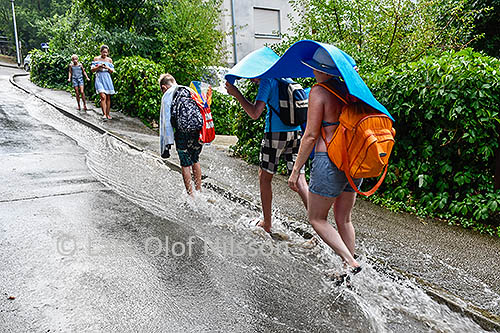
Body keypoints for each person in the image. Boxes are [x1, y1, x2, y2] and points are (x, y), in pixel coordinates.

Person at [288, 47, 362, 275]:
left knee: (317, 217)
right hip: (354, 160)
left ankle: (349, 262)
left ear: (318, 70)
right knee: (344, 218)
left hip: (328, 160)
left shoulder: (318, 92)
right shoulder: (350, 89)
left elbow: (310, 135)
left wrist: (296, 170)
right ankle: (347, 272)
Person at [225, 78, 309, 233]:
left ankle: (267, 223)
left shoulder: (267, 81)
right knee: (300, 180)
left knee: (264, 178)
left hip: (274, 134)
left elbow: (255, 113)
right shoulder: (287, 79)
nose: (252, 80)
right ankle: (318, 227)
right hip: (296, 133)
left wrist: (237, 94)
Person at [159, 73, 203, 196]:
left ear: (164, 87)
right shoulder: (190, 90)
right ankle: (199, 191)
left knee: (185, 162)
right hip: (197, 128)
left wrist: (167, 144)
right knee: (195, 159)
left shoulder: (168, 95)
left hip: (182, 130)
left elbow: (165, 121)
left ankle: (191, 196)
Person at [91, 45, 115, 120]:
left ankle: (108, 114)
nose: (104, 54)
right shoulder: (96, 59)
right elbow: (92, 70)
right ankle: (104, 114)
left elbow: (112, 71)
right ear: (100, 52)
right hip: (99, 78)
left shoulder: (109, 60)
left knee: (108, 97)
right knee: (102, 96)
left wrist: (107, 67)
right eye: (103, 52)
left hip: (107, 78)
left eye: (106, 52)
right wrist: (98, 67)